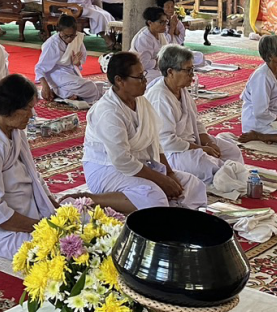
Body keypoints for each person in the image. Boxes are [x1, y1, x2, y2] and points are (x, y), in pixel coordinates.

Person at [0, 74, 128, 257]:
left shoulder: (13, 129)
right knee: (70, 249)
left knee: (90, 222)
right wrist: (45, 226)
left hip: (27, 210)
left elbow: (33, 174)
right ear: (10, 108)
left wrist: (53, 208)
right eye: (28, 109)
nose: (32, 115)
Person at [82, 52, 207, 212]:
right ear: (119, 81)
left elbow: (154, 140)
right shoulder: (107, 112)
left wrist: (168, 173)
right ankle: (93, 199)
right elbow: (122, 161)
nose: (145, 81)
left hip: (138, 164)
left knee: (193, 184)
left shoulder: (141, 101)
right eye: (139, 77)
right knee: (154, 196)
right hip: (106, 168)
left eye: (144, 75)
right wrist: (160, 180)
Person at [145, 44, 247, 194]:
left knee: (231, 150)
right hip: (172, 153)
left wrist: (209, 142)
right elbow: (167, 141)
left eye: (192, 69)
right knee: (206, 165)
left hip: (192, 143)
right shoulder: (160, 97)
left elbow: (196, 122)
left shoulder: (182, 90)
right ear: (170, 72)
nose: (192, 75)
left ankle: (230, 174)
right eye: (188, 70)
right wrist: (201, 149)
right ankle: (229, 176)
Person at [35, 14, 104, 103]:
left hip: (70, 71)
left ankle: (60, 92)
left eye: (72, 36)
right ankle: (59, 90)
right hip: (55, 73)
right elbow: (39, 68)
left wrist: (77, 63)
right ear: (59, 31)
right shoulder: (52, 44)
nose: (69, 39)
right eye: (65, 36)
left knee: (99, 86)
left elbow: (81, 59)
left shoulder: (77, 38)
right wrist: (45, 86)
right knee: (91, 87)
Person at [130, 6, 169, 83]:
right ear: (150, 23)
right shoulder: (144, 38)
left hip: (158, 65)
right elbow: (144, 64)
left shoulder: (159, 33)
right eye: (161, 22)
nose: (165, 25)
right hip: (144, 71)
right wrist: (159, 61)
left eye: (166, 22)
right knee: (163, 78)